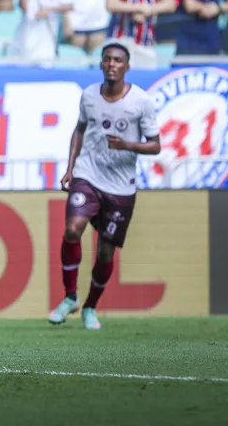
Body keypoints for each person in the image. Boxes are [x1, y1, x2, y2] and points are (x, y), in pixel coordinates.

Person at [53, 43, 161, 331]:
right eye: (108, 59)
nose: (112, 64)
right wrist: (70, 168)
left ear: (127, 67)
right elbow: (80, 129)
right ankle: (70, 297)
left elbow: (156, 145)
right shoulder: (88, 96)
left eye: (118, 60)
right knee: (73, 228)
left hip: (121, 186)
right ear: (101, 64)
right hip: (88, 174)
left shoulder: (142, 101)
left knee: (104, 252)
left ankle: (90, 307)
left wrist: (128, 145)